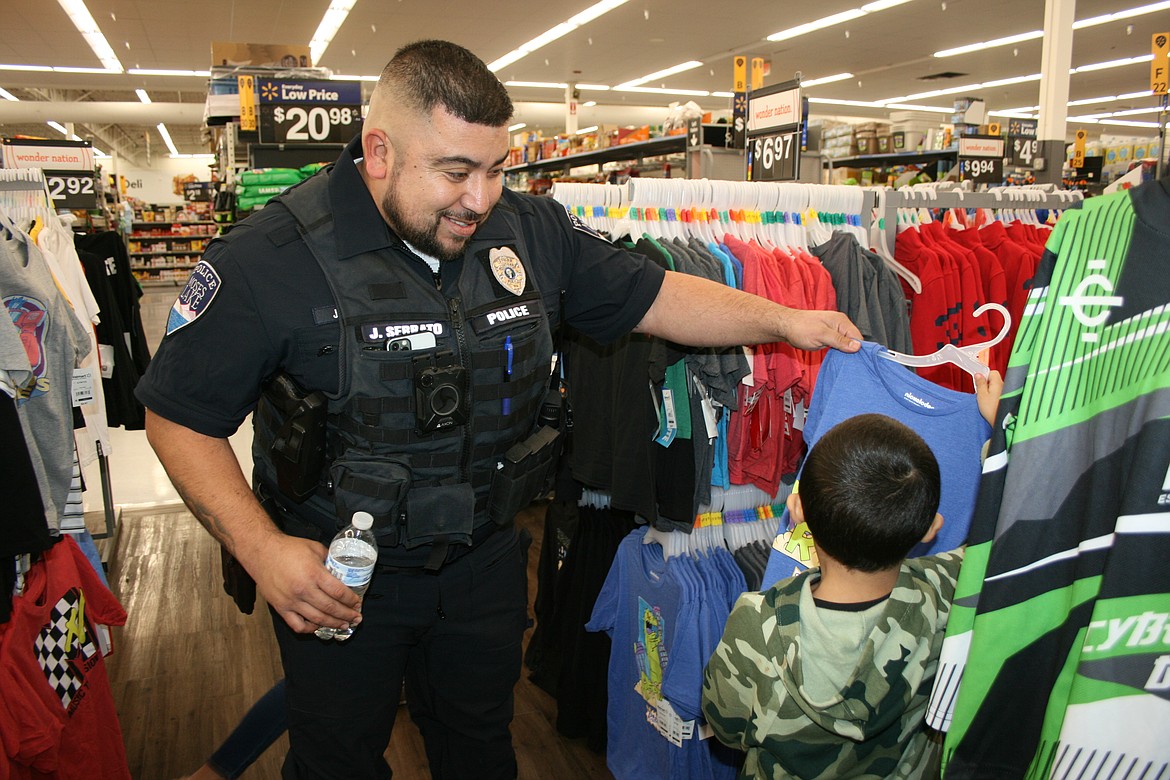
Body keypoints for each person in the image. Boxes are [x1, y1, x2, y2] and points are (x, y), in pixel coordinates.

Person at [137, 39, 861, 779]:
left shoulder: (530, 229)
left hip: (481, 561)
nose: (480, 199)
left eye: (496, 169)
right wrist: (261, 551)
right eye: (456, 172)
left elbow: (656, 295)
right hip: (340, 574)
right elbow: (175, 413)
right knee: (338, 761)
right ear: (378, 151)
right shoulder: (268, 258)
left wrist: (788, 320)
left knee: (479, 749)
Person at [701, 412, 973, 779]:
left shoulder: (758, 622)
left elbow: (726, 726)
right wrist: (1004, 429)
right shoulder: (949, 588)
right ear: (931, 529)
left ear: (797, 511)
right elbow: (1011, 538)